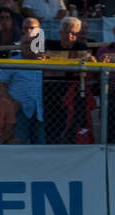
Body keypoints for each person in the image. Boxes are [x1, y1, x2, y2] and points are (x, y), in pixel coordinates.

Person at [44, 14, 93, 143]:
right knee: (52, 130)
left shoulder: (81, 47)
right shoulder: (48, 45)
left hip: (73, 96)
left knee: (72, 130)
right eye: (67, 32)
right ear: (60, 32)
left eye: (74, 33)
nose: (71, 36)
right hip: (51, 94)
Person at [5, 16, 45, 143]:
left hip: (41, 110)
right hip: (19, 111)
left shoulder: (47, 62)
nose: (29, 46)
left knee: (40, 145)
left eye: (32, 43)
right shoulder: (11, 62)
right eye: (26, 43)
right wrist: (11, 103)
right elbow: (1, 85)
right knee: (19, 144)